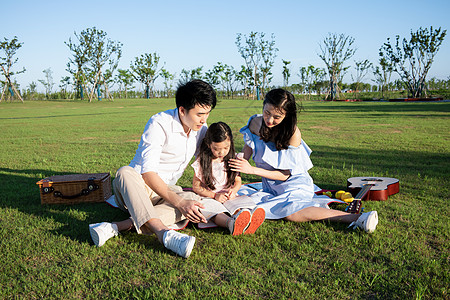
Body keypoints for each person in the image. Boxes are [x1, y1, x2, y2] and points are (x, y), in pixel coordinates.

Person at [89, 79, 217, 258]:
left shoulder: (201, 129)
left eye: (208, 113)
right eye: (200, 114)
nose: (204, 120)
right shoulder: (159, 123)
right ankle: (164, 234)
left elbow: (210, 161)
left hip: (163, 191)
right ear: (182, 110)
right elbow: (148, 174)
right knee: (124, 172)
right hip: (135, 188)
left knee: (192, 199)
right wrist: (179, 203)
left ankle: (115, 227)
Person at [229, 88, 378, 233]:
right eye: (267, 112)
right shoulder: (255, 122)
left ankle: (358, 218)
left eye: (277, 117)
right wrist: (236, 176)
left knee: (291, 213)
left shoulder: (292, 134)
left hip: (294, 183)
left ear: (287, 116)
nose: (269, 119)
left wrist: (252, 170)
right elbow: (245, 153)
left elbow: (285, 174)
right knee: (236, 197)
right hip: (271, 186)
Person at [191, 122, 265, 235]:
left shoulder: (234, 159)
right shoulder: (203, 162)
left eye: (226, 148)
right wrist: (214, 196)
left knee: (239, 205)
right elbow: (196, 187)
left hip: (228, 195)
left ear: (231, 142)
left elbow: (238, 181)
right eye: (216, 149)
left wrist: (234, 190)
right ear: (208, 144)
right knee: (213, 211)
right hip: (209, 196)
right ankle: (230, 223)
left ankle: (247, 220)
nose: (222, 152)